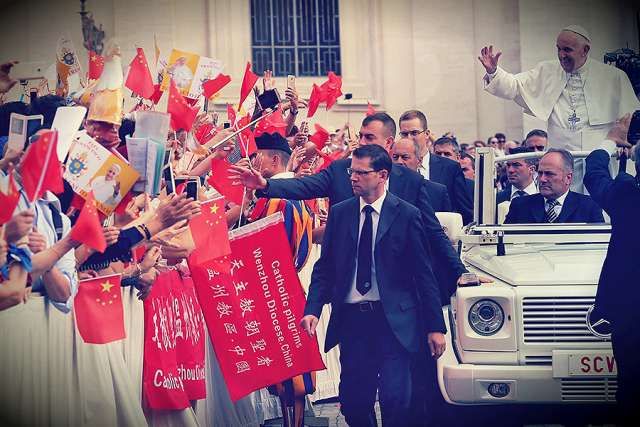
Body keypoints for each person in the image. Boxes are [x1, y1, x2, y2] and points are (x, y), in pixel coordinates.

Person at [229, 112, 468, 295]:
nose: (361, 142)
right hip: (347, 292)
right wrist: (265, 185)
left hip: (399, 295)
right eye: (360, 136)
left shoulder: (410, 182)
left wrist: (461, 272)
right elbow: (303, 186)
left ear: (388, 143)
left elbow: (434, 231)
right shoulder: (339, 171)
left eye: (369, 137)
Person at [299, 145, 446, 427]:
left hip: (395, 323)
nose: (353, 178)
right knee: (354, 402)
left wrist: (435, 327)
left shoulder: (407, 214)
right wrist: (312, 309)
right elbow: (325, 267)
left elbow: (423, 275)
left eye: (361, 173)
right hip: (354, 322)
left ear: (382, 175)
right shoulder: (341, 214)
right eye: (351, 172)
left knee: (396, 399)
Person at [479, 25, 639, 153]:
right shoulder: (546, 70)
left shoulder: (613, 77)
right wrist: (494, 71)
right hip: (560, 157)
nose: (561, 55)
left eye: (567, 49)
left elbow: (630, 117)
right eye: (558, 49)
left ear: (585, 50)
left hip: (600, 155)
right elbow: (514, 85)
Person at [583, 114, 639, 425]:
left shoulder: (626, 194)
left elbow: (593, 173)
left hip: (630, 312)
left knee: (630, 385)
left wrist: (611, 138)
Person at [398, 110, 473, 223]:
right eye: (404, 134)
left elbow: (464, 212)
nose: (409, 138)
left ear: (427, 134)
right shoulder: (396, 168)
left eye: (414, 133)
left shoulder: (450, 168)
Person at [505, 148, 603, 224]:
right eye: (540, 173)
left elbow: (599, 241)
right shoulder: (520, 206)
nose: (542, 179)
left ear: (568, 178)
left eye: (549, 174)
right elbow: (506, 240)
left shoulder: (589, 206)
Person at [390, 137, 452, 212]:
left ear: (419, 161)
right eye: (395, 157)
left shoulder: (437, 192)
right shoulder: (384, 188)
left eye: (405, 157)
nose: (399, 162)